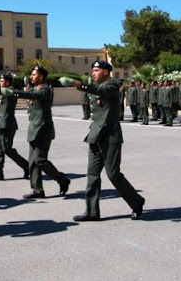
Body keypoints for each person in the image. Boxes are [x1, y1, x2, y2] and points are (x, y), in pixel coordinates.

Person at [60, 60, 145, 222]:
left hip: (110, 136)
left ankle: (137, 202)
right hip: (95, 135)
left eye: (97, 70)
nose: (93, 73)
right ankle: (91, 212)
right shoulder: (97, 86)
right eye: (93, 70)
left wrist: (76, 83)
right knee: (92, 175)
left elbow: (102, 90)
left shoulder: (113, 85)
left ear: (106, 72)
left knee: (113, 175)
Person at [1, 65, 70, 199]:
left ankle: (62, 179)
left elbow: (32, 95)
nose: (32, 76)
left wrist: (14, 92)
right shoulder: (35, 88)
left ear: (41, 77)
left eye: (34, 74)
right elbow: (31, 93)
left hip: (43, 129)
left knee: (40, 160)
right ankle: (37, 189)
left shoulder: (45, 90)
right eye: (31, 75)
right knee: (33, 161)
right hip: (34, 128)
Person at [0, 73, 29, 182]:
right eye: (0, 81)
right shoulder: (2, 92)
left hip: (7, 124)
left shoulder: (10, 91)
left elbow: (2, 91)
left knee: (7, 149)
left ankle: (26, 165)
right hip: (0, 124)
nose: (0, 83)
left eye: (2, 81)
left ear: (8, 82)